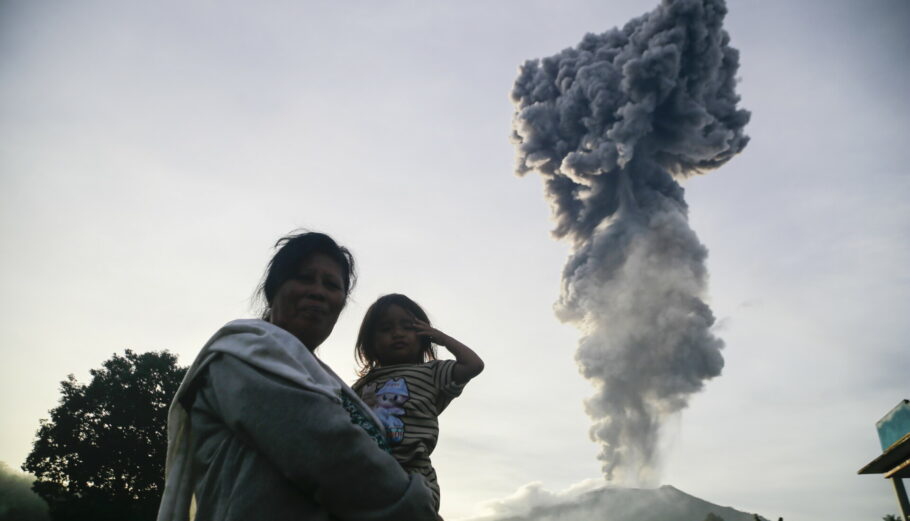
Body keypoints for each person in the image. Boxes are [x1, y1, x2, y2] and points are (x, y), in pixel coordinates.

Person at [157, 232, 438, 521]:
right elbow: (332, 454)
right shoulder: (242, 354)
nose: (317, 291)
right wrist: (418, 506)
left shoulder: (329, 382)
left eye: (331, 285)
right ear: (274, 289)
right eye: (304, 278)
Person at [352, 294, 484, 512]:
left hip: (413, 474)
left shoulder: (432, 372)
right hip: (368, 473)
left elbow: (473, 364)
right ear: (370, 343)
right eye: (386, 329)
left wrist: (441, 338)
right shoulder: (361, 386)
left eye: (408, 327)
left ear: (424, 336)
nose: (397, 334)